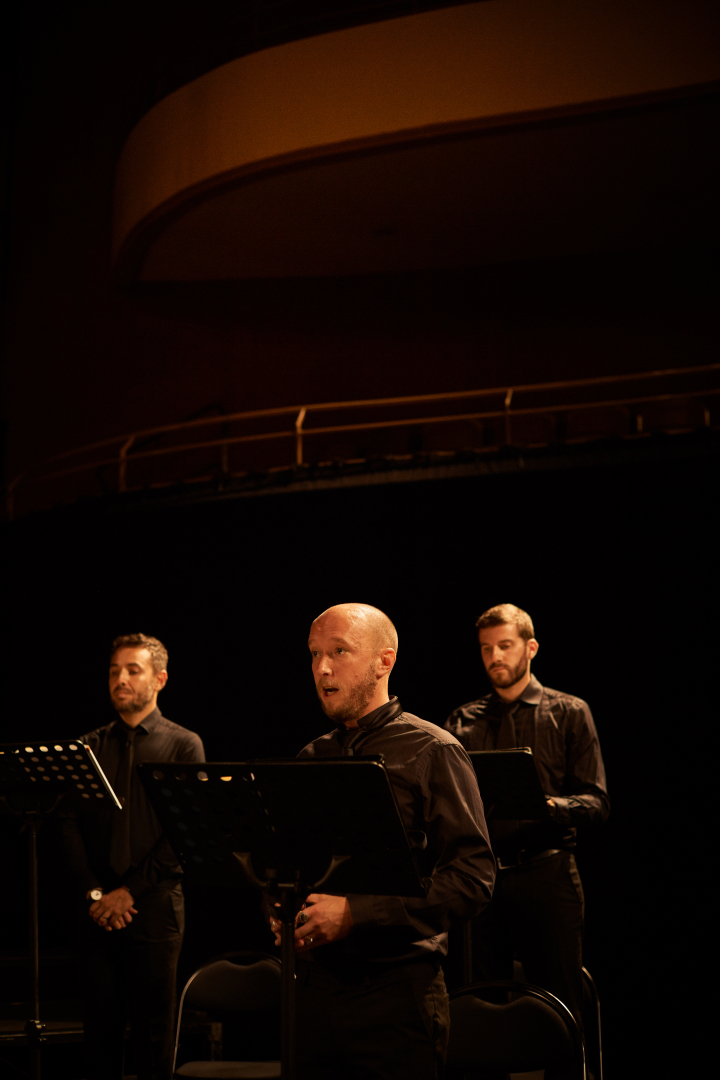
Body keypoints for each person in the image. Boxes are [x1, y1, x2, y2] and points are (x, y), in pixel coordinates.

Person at [269, 602, 495, 1080]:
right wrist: (280, 908)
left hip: (394, 997)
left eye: (338, 652)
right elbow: (291, 863)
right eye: (313, 654)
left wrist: (358, 913)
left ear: (384, 661)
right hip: (311, 992)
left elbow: (473, 878)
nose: (322, 668)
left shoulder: (433, 750)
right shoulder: (311, 756)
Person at [445, 603, 609, 1035]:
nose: (494, 657)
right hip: (483, 879)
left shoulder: (569, 712)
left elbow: (597, 802)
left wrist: (548, 806)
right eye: (485, 649)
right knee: (480, 1004)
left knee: (560, 1005)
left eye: (504, 646)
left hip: (548, 872)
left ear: (530, 648)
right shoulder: (462, 721)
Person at [59, 633, 205, 1080]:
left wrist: (130, 892)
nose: (120, 679)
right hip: (98, 909)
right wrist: (96, 893)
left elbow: (186, 833)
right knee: (98, 1037)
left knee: (153, 1038)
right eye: (113, 671)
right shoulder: (88, 746)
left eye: (132, 670)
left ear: (159, 679)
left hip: (155, 909)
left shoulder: (184, 745)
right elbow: (68, 827)